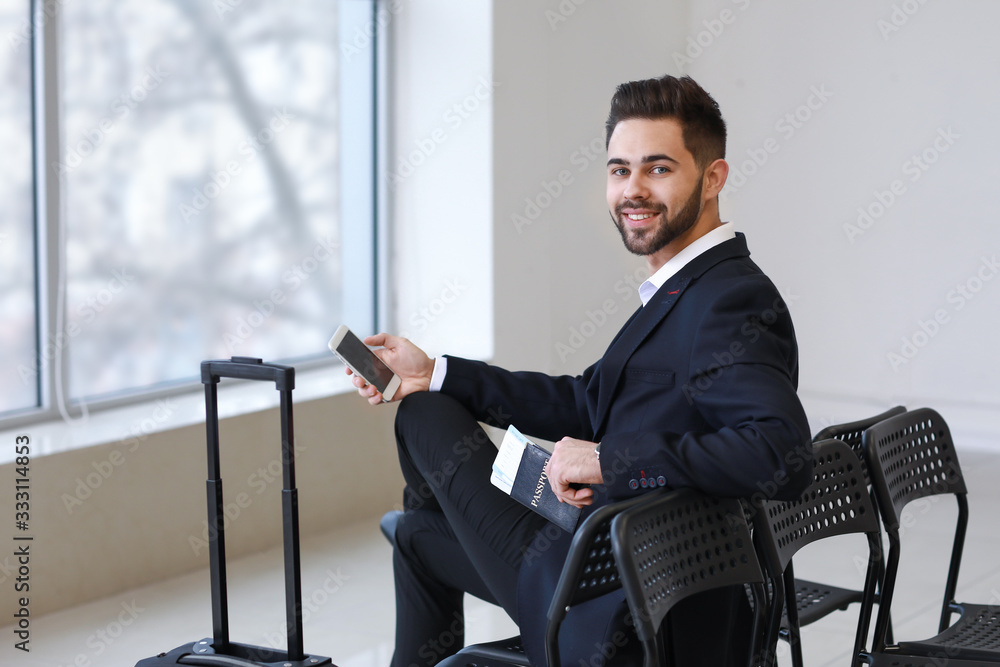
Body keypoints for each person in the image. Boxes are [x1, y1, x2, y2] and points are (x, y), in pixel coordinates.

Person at [350, 74, 812, 667]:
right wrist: (436, 369)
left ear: (714, 177)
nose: (633, 189)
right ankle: (425, 515)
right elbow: (586, 400)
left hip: (610, 599)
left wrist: (609, 460)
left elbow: (779, 454)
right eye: (620, 170)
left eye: (658, 168)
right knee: (415, 535)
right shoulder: (686, 290)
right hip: (610, 564)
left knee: (422, 416)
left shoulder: (726, 302)